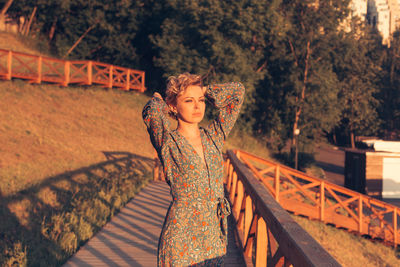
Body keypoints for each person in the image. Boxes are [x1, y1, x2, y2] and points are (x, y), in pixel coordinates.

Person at [142, 72, 245, 266]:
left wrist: (204, 90)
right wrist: (162, 101)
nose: (197, 106)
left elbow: (238, 92)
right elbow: (151, 113)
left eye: (201, 100)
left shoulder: (214, 136)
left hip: (214, 235)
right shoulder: (168, 142)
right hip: (181, 235)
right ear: (174, 105)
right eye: (189, 101)